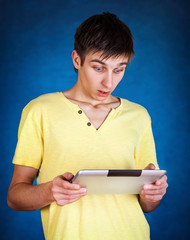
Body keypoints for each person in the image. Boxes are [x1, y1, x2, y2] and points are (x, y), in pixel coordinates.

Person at [7, 12, 168, 240]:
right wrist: (49, 191)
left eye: (119, 69)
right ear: (77, 60)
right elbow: (14, 197)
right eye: (99, 68)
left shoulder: (139, 116)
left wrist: (153, 194)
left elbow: (147, 205)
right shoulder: (39, 110)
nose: (109, 82)